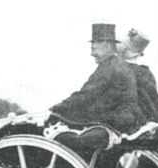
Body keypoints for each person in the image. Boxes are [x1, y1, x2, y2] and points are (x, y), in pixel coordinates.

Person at [50, 23, 144, 157]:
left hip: (112, 121)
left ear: (107, 45)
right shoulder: (117, 65)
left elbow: (85, 95)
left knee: (58, 134)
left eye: (96, 44)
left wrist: (56, 109)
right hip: (123, 120)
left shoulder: (109, 67)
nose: (92, 50)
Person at [117, 28, 158, 144]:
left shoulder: (120, 71)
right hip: (148, 119)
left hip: (128, 122)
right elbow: (156, 103)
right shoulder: (145, 73)